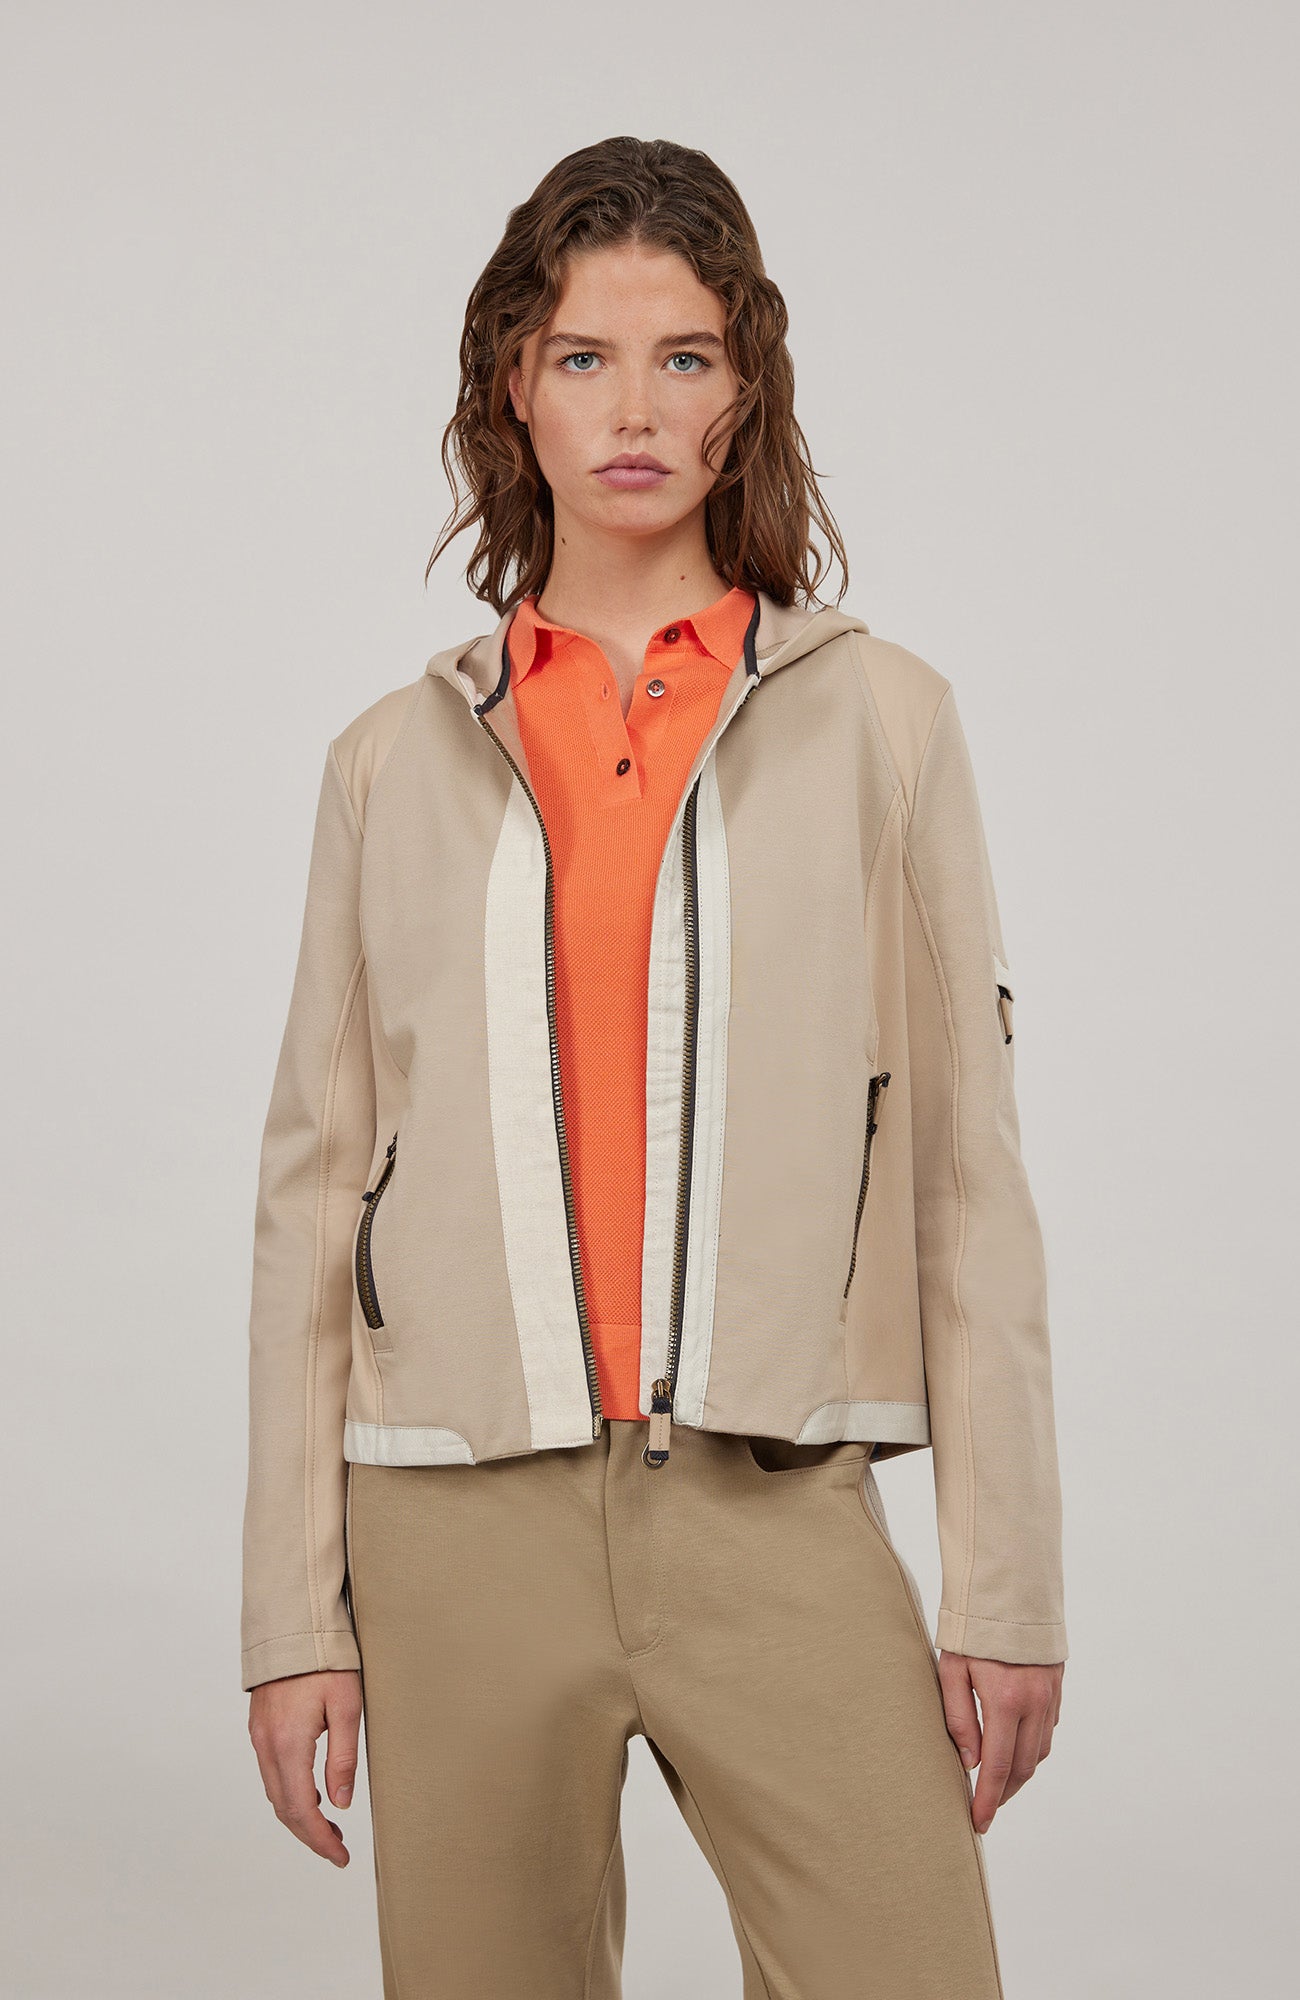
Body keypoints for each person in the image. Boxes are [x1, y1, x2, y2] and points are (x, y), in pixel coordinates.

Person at [241, 134, 1067, 1999]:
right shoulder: (391, 762)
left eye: (684, 355)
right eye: (583, 357)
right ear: (511, 389)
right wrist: (293, 1618)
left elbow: (967, 1176)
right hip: (453, 1517)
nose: (634, 409)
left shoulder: (884, 723)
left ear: (743, 389)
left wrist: (1005, 1586)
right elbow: (313, 1193)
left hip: (775, 1501)